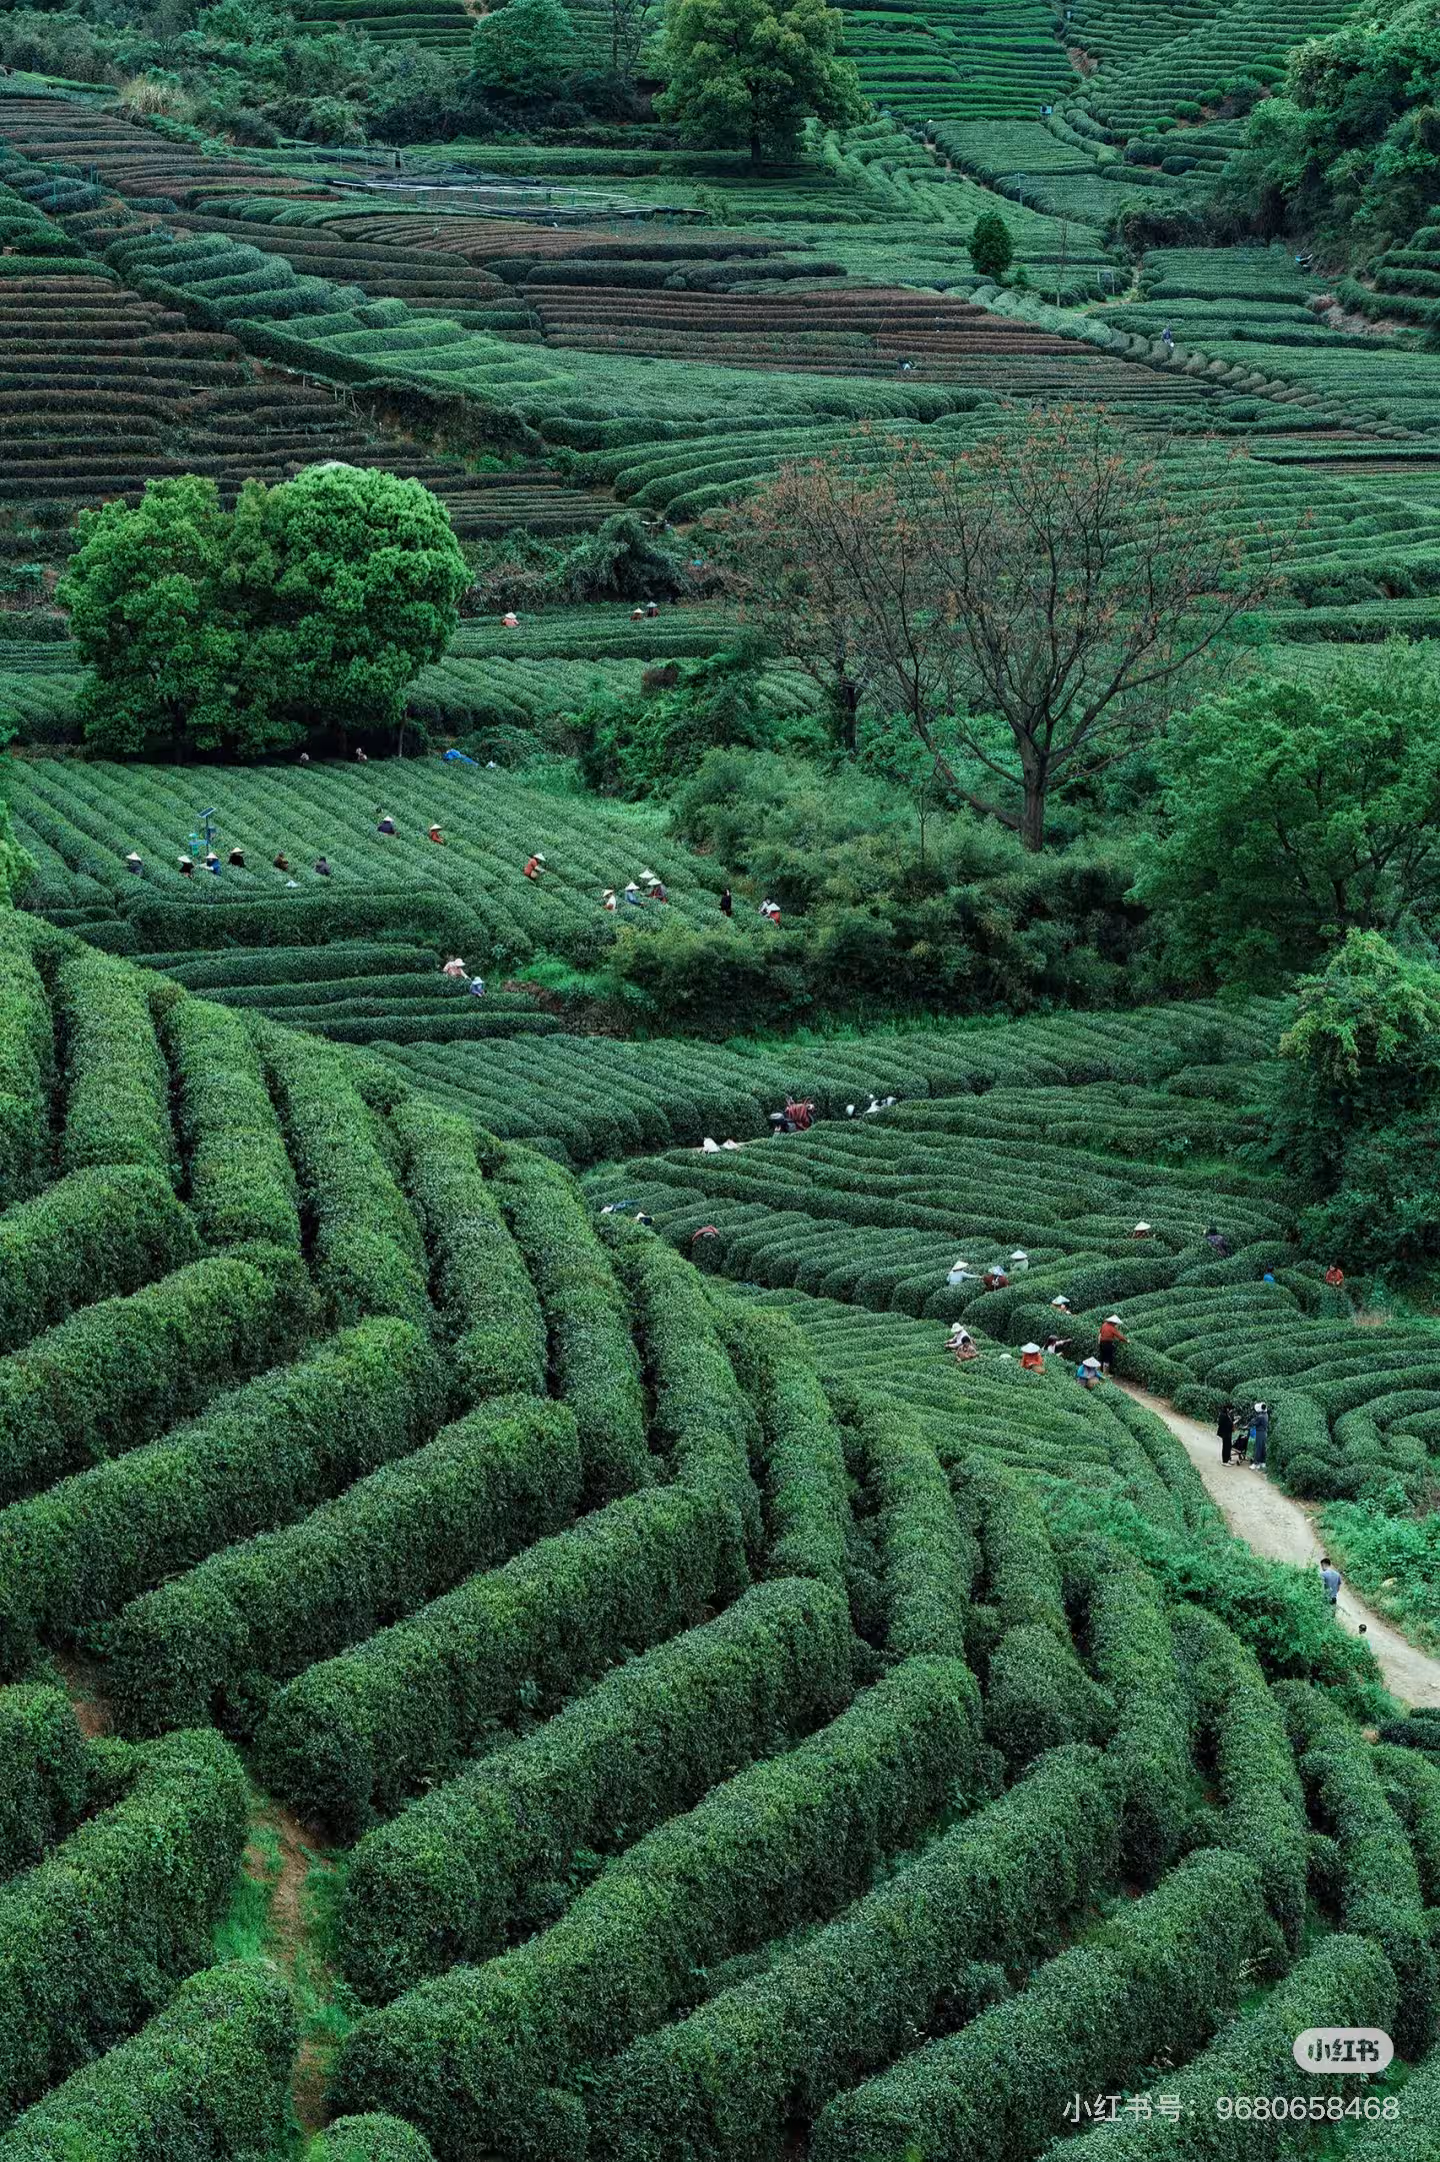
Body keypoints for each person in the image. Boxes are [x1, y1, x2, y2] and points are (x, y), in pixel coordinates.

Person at [1250, 1401, 1269, 1470]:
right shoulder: (1266, 1415)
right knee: (1263, 1447)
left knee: (1258, 1447)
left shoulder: (1260, 1416)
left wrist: (1251, 1421)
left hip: (1259, 1433)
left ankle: (1255, 1463)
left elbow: (1254, 1422)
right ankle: (1262, 1462)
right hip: (1264, 1432)